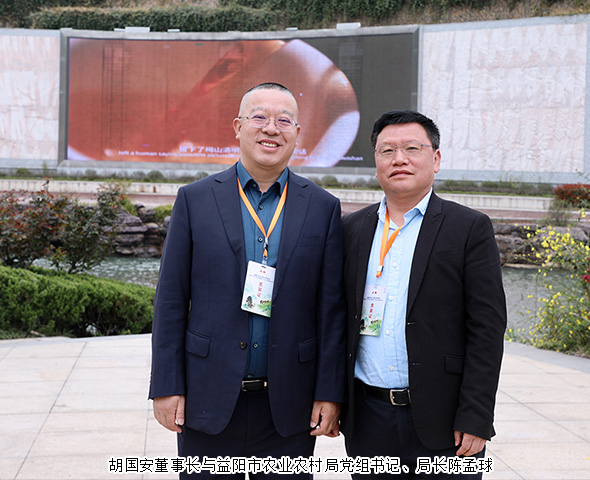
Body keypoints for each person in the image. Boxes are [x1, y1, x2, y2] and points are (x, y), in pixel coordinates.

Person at [149, 82, 346, 479]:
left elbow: (331, 310)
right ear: (238, 127)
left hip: (289, 405)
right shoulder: (195, 199)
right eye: (260, 117)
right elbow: (171, 300)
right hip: (208, 397)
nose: (271, 128)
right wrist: (166, 385)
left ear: (297, 134)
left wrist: (329, 392)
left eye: (283, 121)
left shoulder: (323, 207)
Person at [341, 110, 507, 479]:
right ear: (376, 162)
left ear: (436, 159)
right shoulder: (351, 229)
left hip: (446, 420)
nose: (399, 159)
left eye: (412, 148)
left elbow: (487, 330)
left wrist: (477, 416)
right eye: (387, 151)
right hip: (368, 420)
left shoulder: (469, 228)